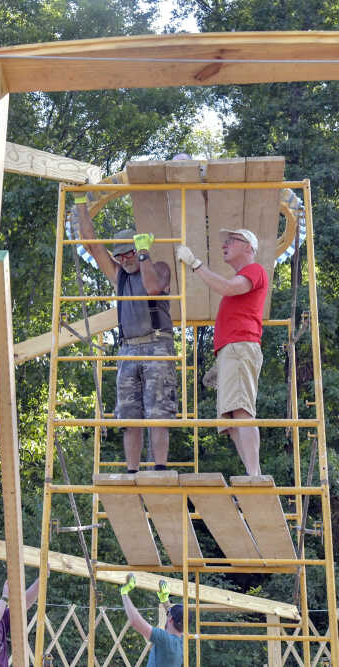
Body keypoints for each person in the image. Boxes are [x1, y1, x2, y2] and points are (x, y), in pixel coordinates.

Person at [73, 197, 178, 473]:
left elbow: (153, 288)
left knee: (158, 413)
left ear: (138, 248)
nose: (123, 259)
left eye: (128, 253)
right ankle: (131, 471)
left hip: (157, 344)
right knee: (128, 415)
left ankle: (159, 468)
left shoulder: (160, 267)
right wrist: (81, 205)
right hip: (128, 348)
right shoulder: (119, 275)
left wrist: (144, 255)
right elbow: (94, 247)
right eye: (119, 255)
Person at [176, 229, 268, 476]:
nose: (224, 244)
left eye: (232, 240)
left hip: (239, 348)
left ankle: (254, 476)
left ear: (248, 247)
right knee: (230, 420)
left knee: (241, 410)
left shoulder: (254, 270)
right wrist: (222, 360)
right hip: (233, 351)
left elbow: (227, 287)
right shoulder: (247, 275)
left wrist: (196, 264)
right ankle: (253, 474)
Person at [119, 575, 184, 666]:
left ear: (170, 619)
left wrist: (124, 593)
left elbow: (135, 621)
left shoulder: (164, 639)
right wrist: (165, 600)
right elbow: (173, 616)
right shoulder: (181, 641)